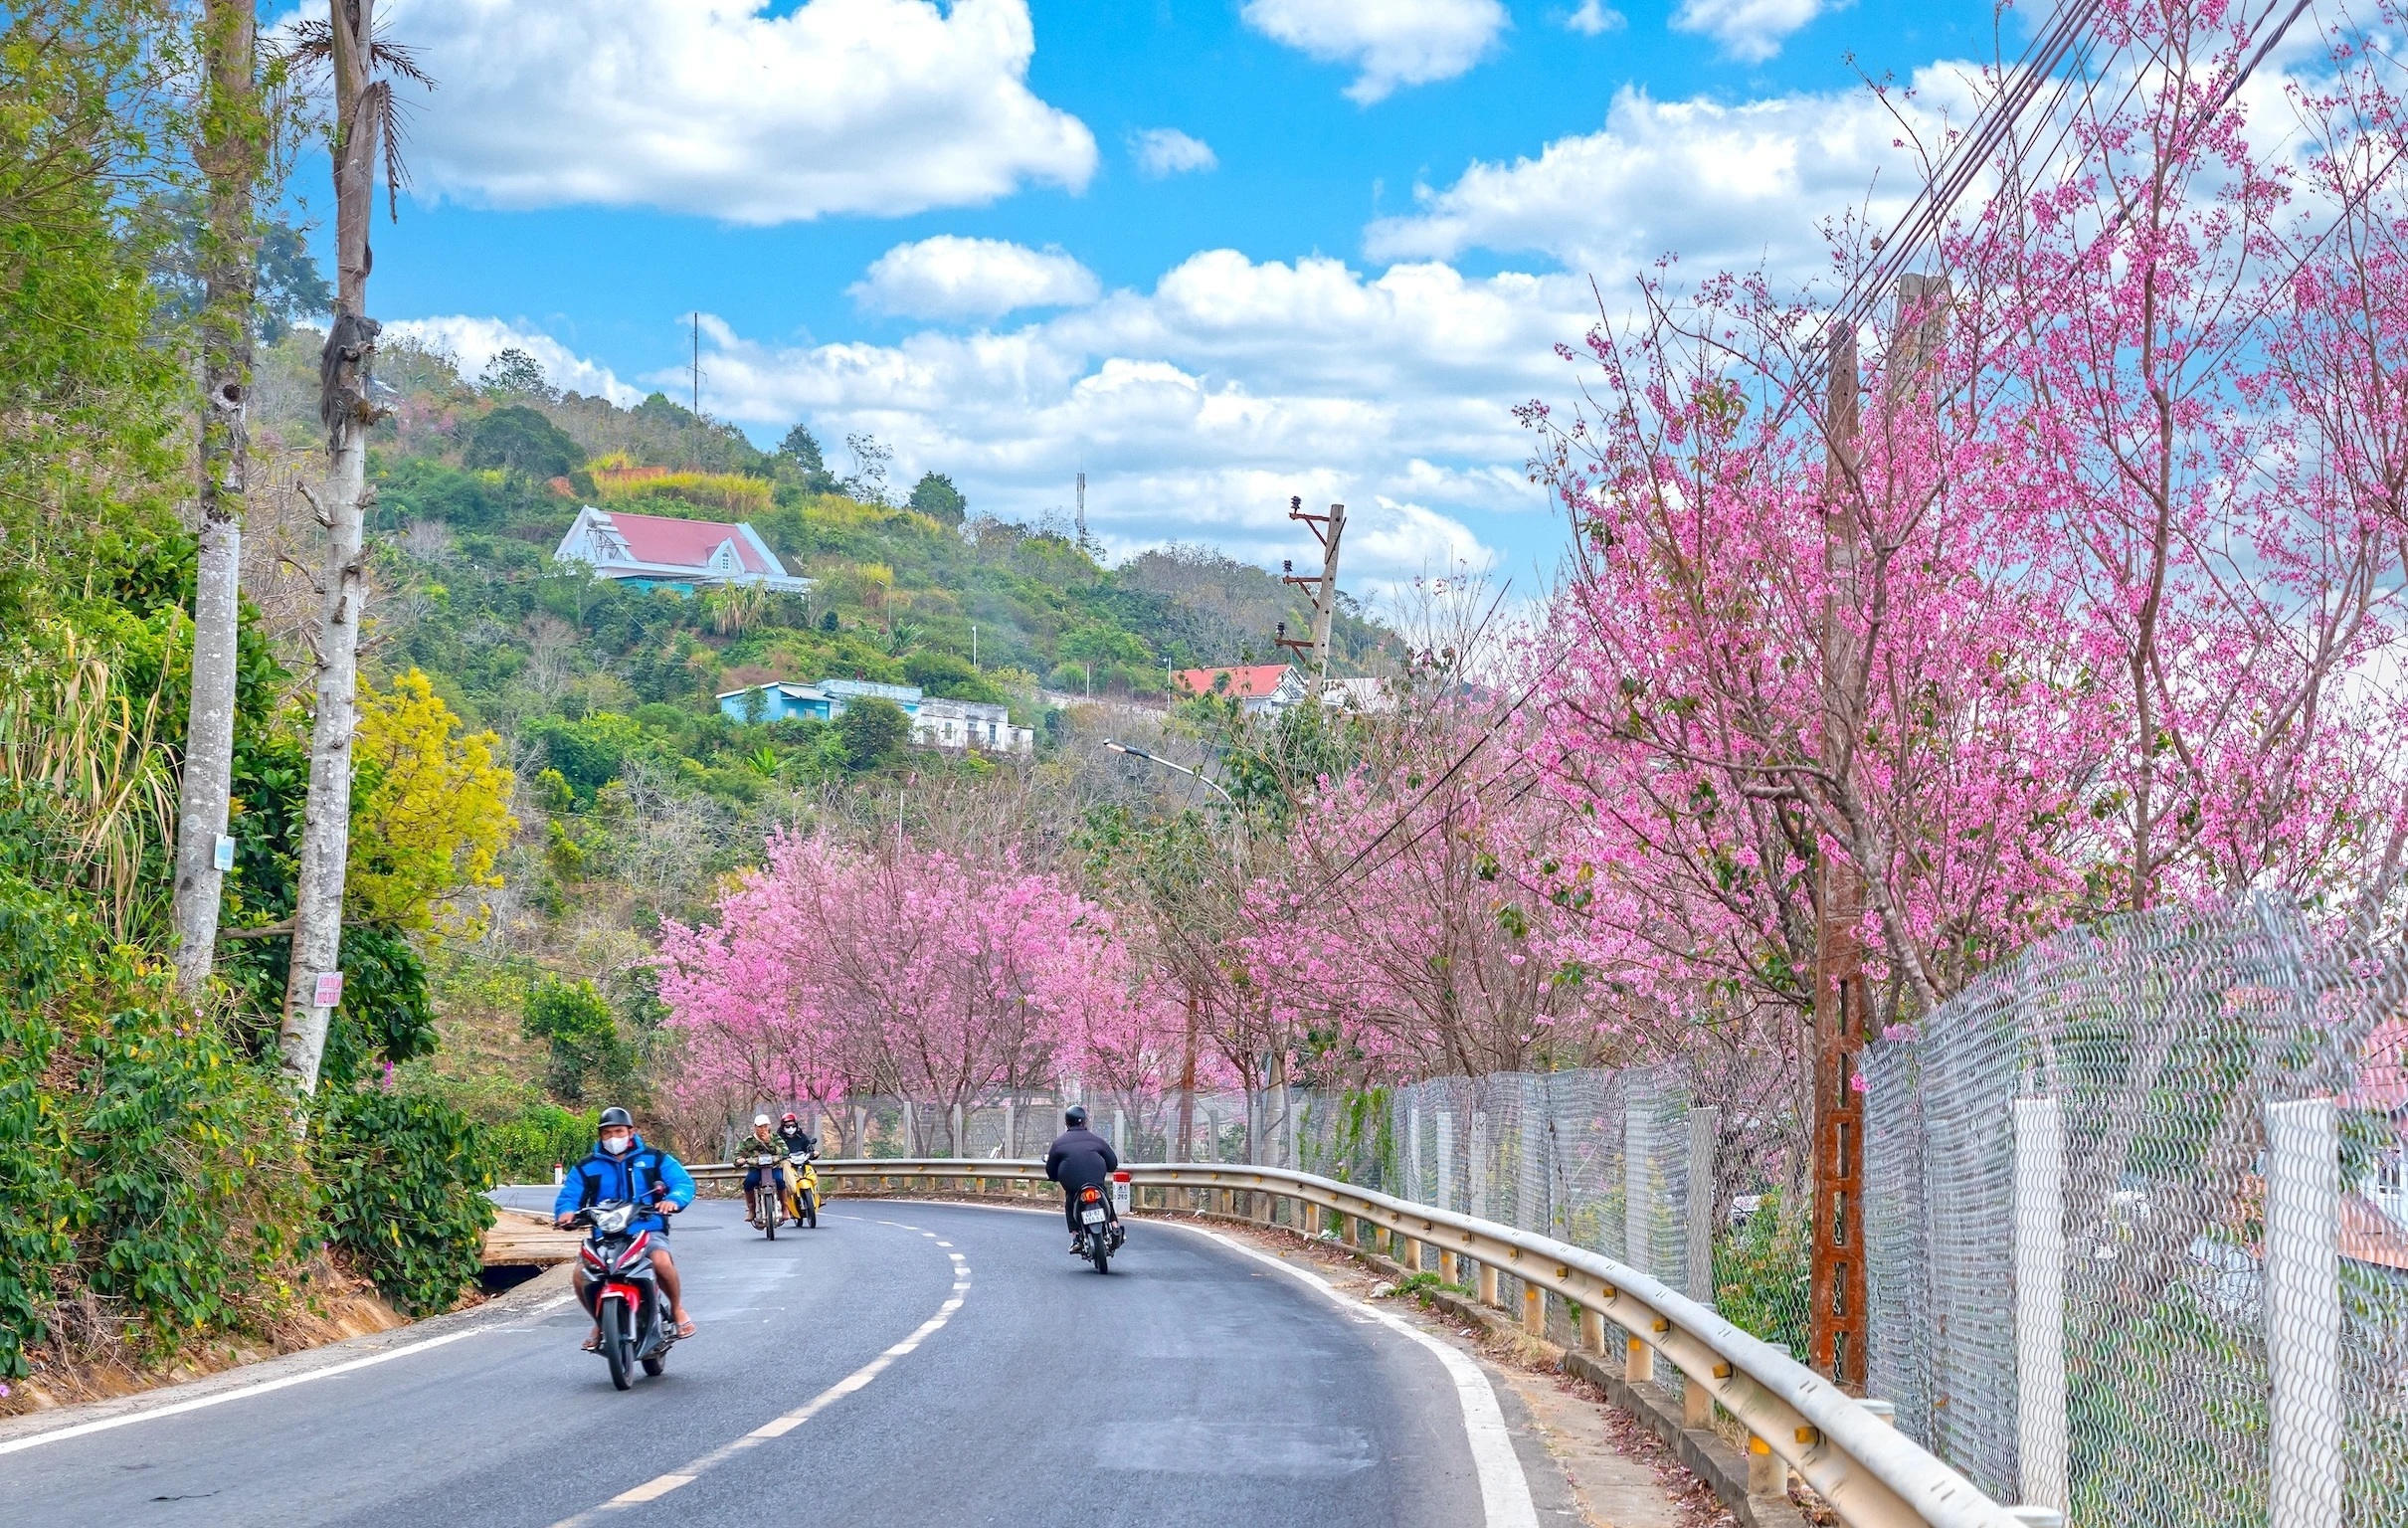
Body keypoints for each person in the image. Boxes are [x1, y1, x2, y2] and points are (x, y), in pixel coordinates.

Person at [555, 1106, 697, 1345]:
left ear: (631, 1131)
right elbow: (570, 1195)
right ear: (600, 1136)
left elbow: (682, 1183)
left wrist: (673, 1200)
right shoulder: (586, 1167)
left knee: (661, 1262)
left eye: (618, 1131)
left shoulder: (654, 1158)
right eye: (607, 1133)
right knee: (581, 1275)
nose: (613, 1138)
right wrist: (566, 1213)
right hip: (604, 1235)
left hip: (647, 1229)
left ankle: (677, 1309)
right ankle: (600, 1323)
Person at [1043, 1104, 1119, 1255]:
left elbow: (1051, 1170)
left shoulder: (1059, 1143)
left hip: (1074, 1186)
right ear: (1084, 1122)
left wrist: (1054, 1177)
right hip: (1096, 1182)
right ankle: (1115, 1226)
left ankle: (1076, 1237)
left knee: (1070, 1202)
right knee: (1105, 1196)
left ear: (1067, 1123)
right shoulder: (1097, 1140)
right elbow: (1113, 1163)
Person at [734, 1114, 784, 1224]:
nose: (763, 1129)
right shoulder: (748, 1141)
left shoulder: (775, 1138)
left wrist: (769, 1142)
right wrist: (739, 1160)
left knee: (780, 1180)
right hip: (756, 1169)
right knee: (748, 1182)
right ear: (755, 1127)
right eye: (760, 1127)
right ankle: (751, 1209)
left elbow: (784, 1151)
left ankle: (785, 1208)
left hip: (773, 1167)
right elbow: (737, 1154)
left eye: (766, 1126)